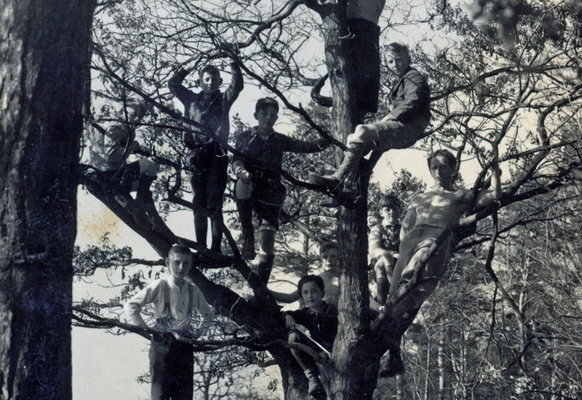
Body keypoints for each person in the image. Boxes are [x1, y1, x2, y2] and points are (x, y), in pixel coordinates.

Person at [122, 244, 216, 400]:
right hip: (163, 348)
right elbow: (131, 306)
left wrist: (197, 333)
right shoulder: (160, 286)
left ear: (191, 265)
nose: (181, 267)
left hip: (184, 347)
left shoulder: (193, 291)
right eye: (177, 262)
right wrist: (146, 331)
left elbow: (208, 315)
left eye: (186, 263)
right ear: (168, 263)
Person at [310, 43, 430, 202]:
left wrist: (388, 118)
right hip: (403, 128)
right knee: (353, 140)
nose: (395, 65)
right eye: (390, 61)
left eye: (399, 60)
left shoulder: (413, 77)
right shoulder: (402, 80)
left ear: (408, 58)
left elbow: (412, 102)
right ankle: (346, 190)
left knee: (362, 130)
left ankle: (337, 178)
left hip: (410, 128)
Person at [232, 97, 331, 284]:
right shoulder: (245, 137)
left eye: (272, 115)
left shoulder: (279, 140)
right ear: (256, 115)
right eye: (264, 114)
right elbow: (236, 160)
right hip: (250, 183)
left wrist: (329, 138)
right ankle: (247, 235)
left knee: (268, 241)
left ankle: (261, 286)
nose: (268, 118)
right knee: (241, 183)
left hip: (271, 190)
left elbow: (307, 146)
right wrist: (242, 171)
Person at [388, 149, 499, 301]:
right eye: (434, 167)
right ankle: (389, 314)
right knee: (393, 289)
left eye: (443, 166)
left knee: (413, 278)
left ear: (453, 169)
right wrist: (404, 243)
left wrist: (494, 168)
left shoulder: (462, 194)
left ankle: (397, 313)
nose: (438, 171)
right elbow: (406, 226)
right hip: (411, 239)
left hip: (436, 236)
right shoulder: (419, 197)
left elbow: (494, 194)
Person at [168, 58, 244, 254]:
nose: (210, 82)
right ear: (200, 82)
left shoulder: (224, 99)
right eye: (207, 79)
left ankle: (216, 248)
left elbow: (237, 86)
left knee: (215, 202)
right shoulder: (191, 100)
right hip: (195, 156)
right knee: (198, 202)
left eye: (214, 79)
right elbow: (173, 84)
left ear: (220, 81)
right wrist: (188, 67)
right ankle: (201, 247)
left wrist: (233, 63)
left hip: (217, 155)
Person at [86, 99, 162, 213]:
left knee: (146, 182)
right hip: (108, 175)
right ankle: (138, 201)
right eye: (133, 114)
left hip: (110, 175)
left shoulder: (127, 129)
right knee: (153, 163)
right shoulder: (117, 127)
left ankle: (138, 202)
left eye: (139, 117)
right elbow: (110, 156)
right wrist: (132, 146)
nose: (137, 119)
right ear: (122, 112)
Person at [284, 274, 338, 400]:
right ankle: (311, 376)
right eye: (305, 293)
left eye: (314, 291)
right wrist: (288, 315)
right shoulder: (302, 314)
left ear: (322, 293)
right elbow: (283, 315)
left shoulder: (333, 311)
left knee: (325, 366)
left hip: (332, 354)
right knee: (293, 337)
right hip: (313, 356)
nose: (310, 296)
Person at [369, 194, 402, 307]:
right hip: (379, 268)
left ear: (400, 211)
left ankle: (386, 299)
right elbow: (374, 250)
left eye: (394, 208)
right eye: (387, 209)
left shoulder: (404, 229)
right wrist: (393, 254)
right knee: (384, 260)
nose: (391, 212)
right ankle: (387, 299)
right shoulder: (377, 229)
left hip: (399, 267)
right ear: (381, 212)